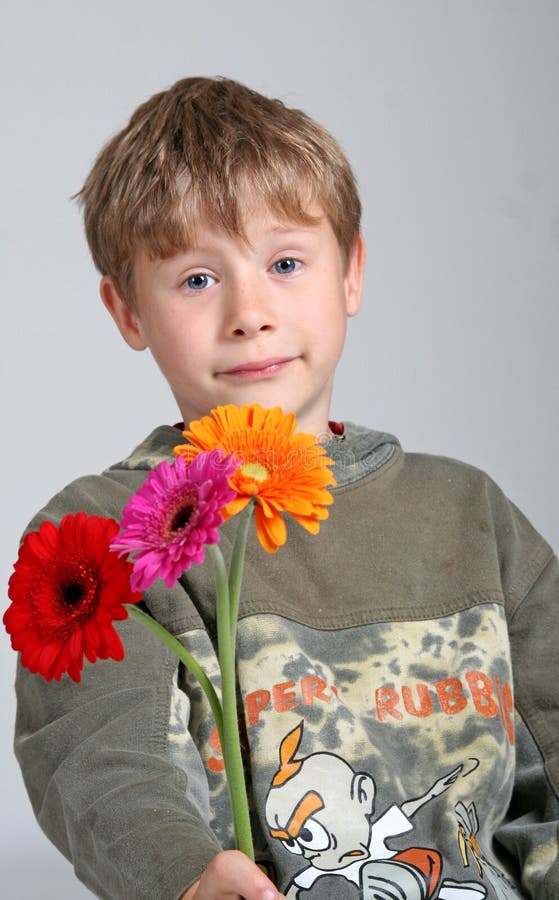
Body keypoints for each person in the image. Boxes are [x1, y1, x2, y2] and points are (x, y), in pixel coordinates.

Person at [9, 76, 558, 900]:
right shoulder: (101, 530)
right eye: (197, 279)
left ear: (351, 273)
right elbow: (96, 755)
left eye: (286, 262)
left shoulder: (468, 514)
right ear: (126, 312)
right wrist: (181, 871)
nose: (249, 311)